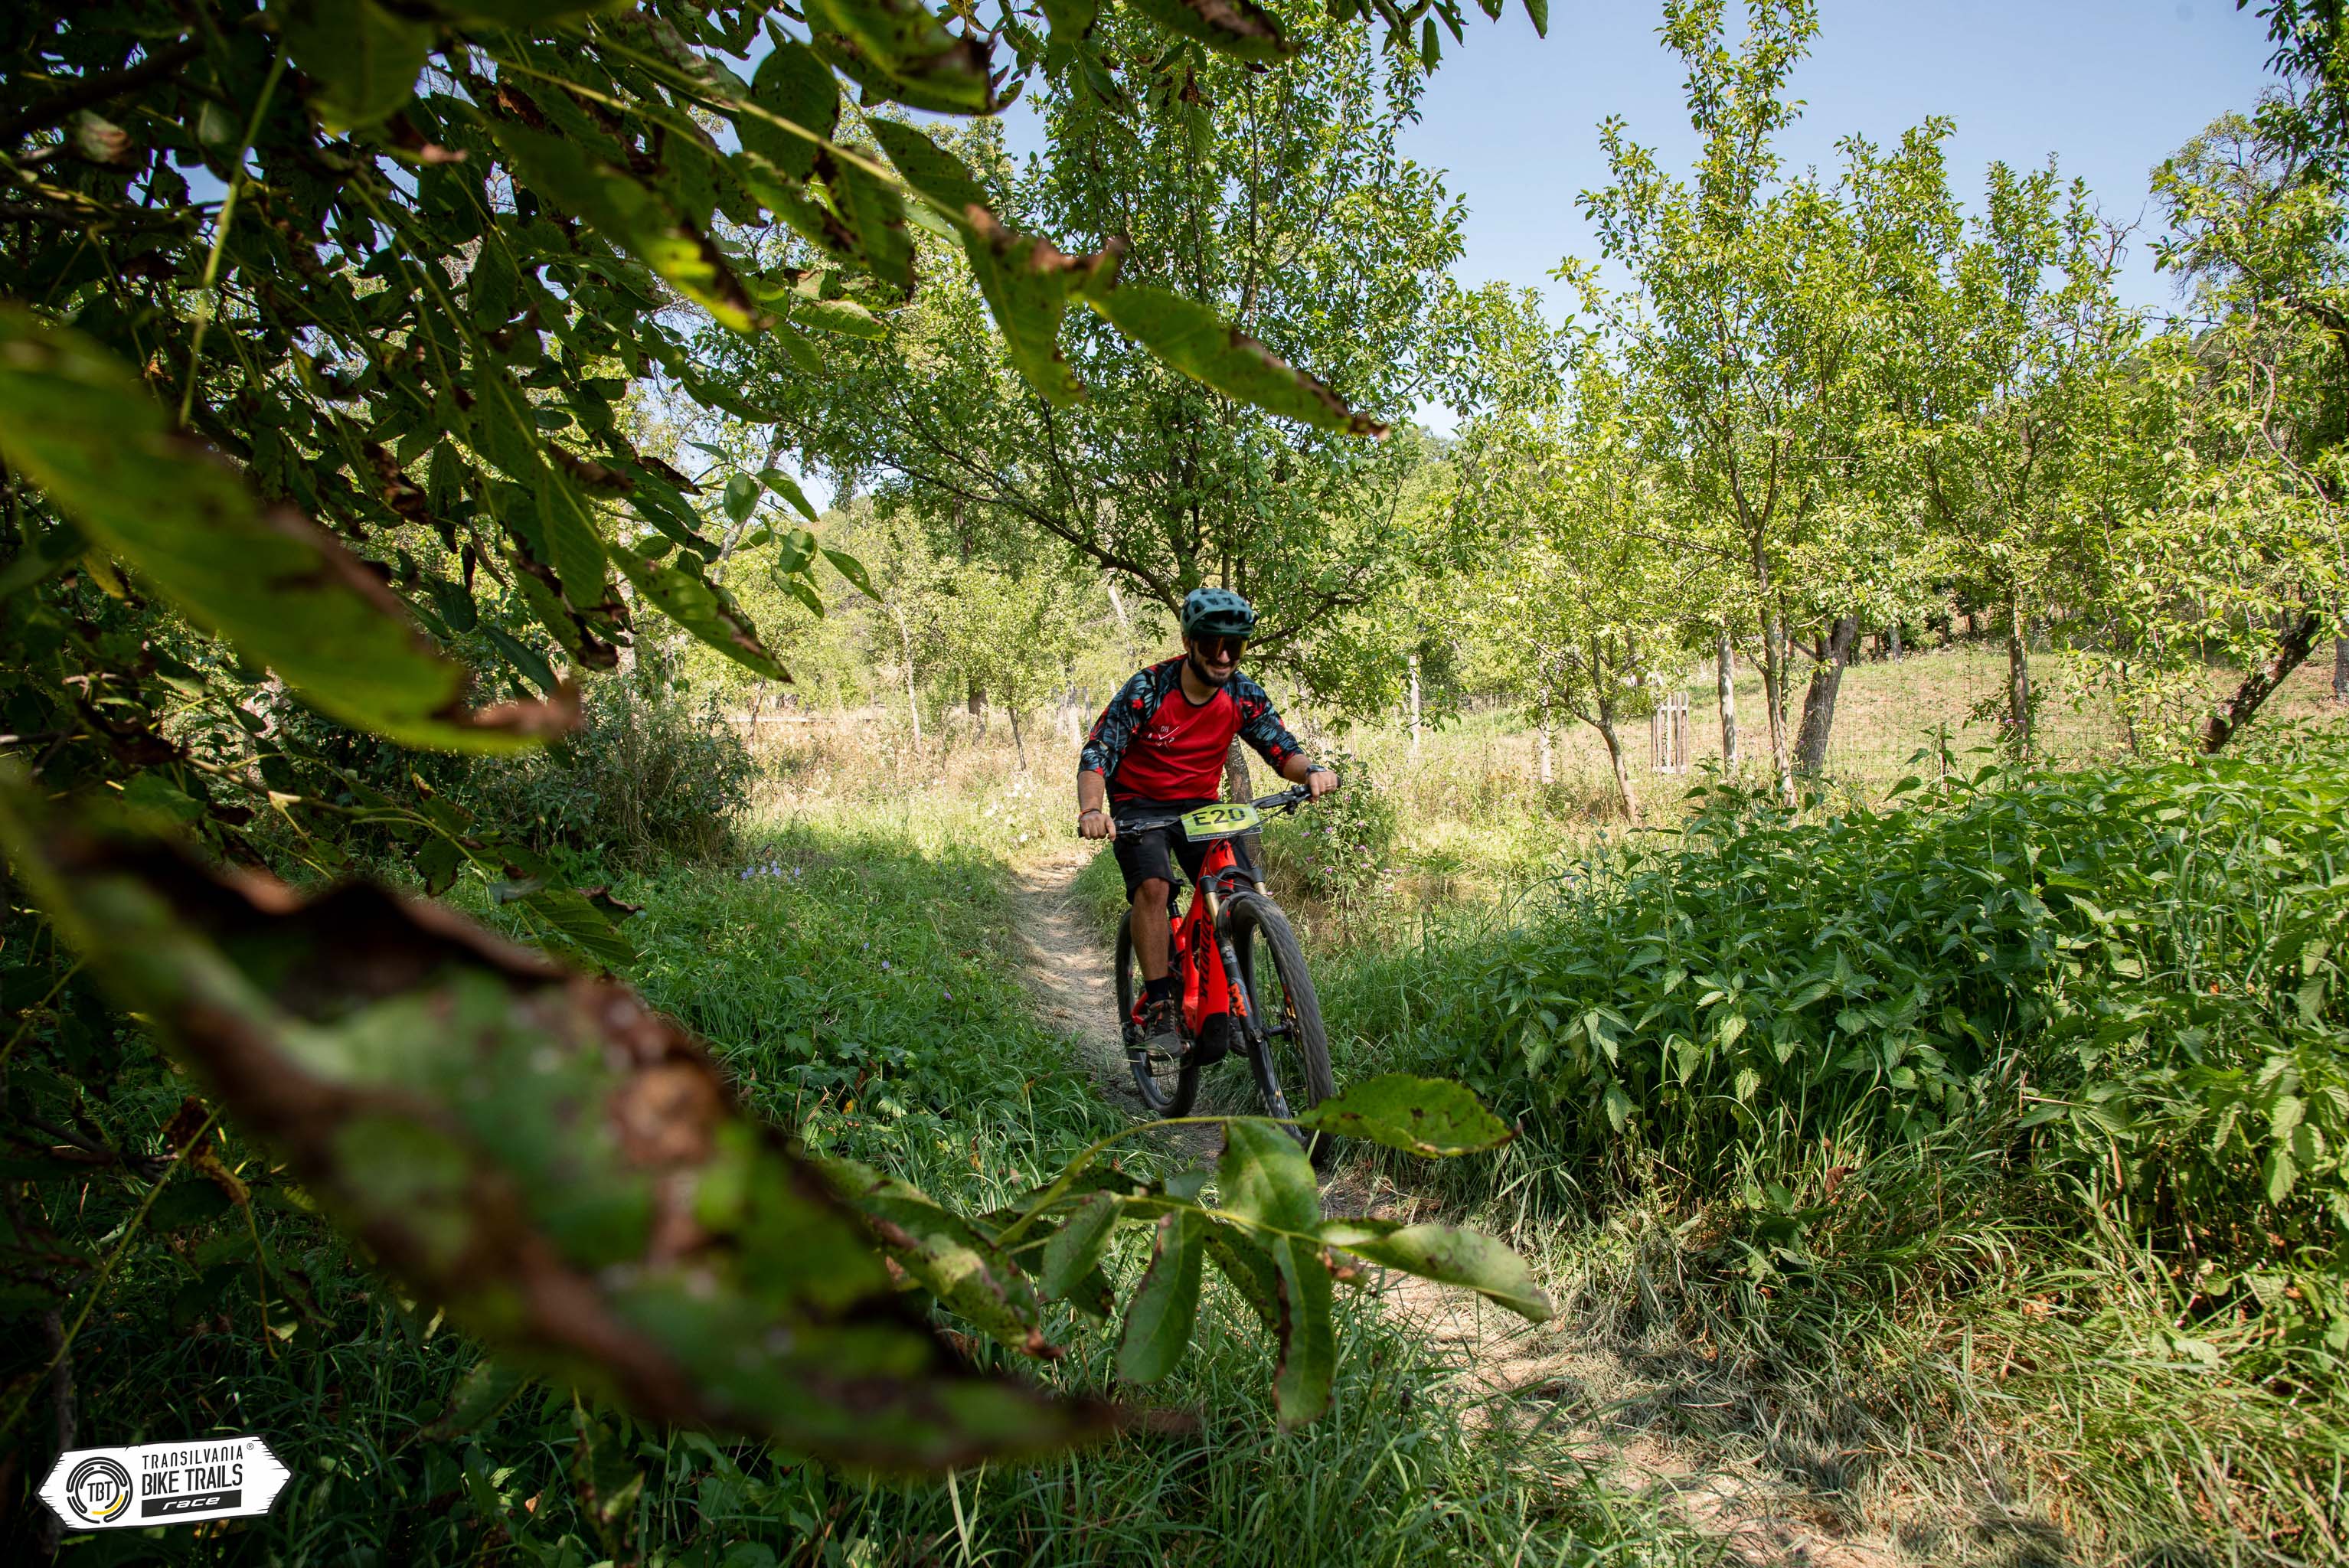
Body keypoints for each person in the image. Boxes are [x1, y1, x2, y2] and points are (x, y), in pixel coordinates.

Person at [1076, 587, 1338, 1067]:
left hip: (1200, 804)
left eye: (1233, 646)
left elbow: (1280, 749)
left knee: (1234, 885)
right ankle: (1160, 1007)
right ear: (1188, 642)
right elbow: (1098, 753)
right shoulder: (1149, 689)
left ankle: (1229, 1000)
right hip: (1139, 804)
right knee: (1154, 887)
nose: (1223, 656)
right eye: (1212, 643)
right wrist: (1092, 810)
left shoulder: (1242, 694)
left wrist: (1312, 772)